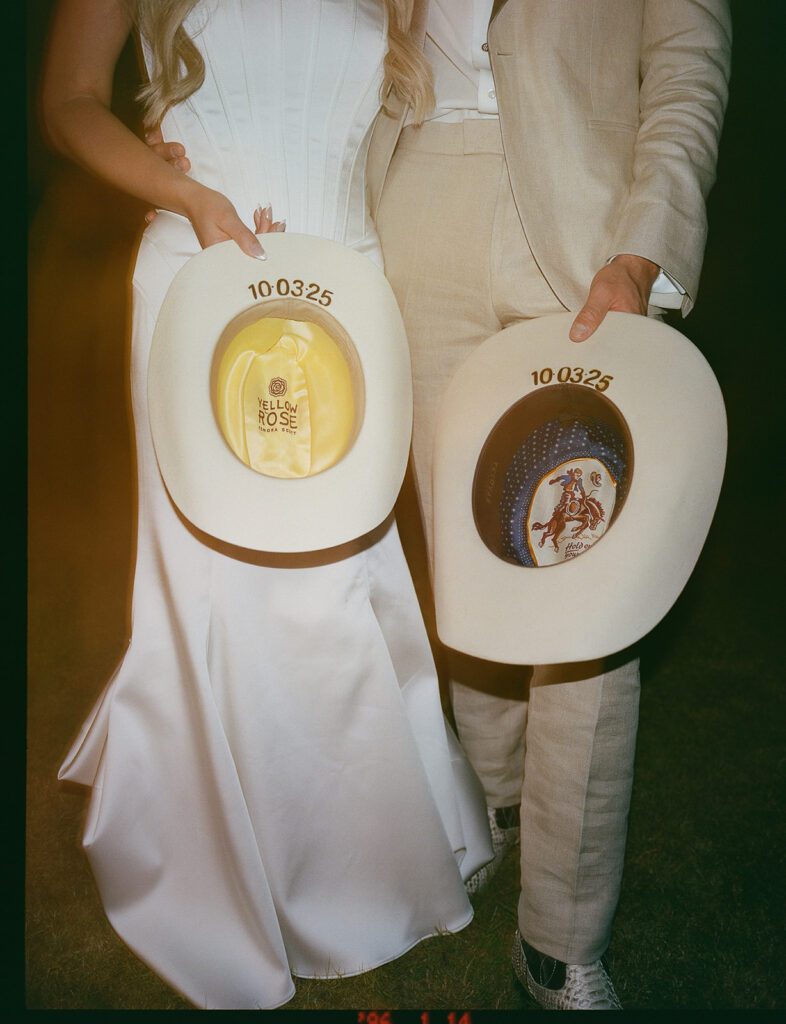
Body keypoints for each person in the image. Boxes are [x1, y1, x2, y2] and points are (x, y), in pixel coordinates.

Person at [41, 0, 492, 1010]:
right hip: (203, 276)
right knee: (234, 582)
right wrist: (178, 188)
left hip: (347, 278)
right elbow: (68, 103)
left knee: (342, 577)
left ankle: (372, 859)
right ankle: (235, 868)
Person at [365, 0, 731, 1010]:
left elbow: (690, 60)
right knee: (465, 565)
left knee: (587, 598)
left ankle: (561, 931)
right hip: (414, 217)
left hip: (581, 247)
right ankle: (503, 802)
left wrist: (643, 245)